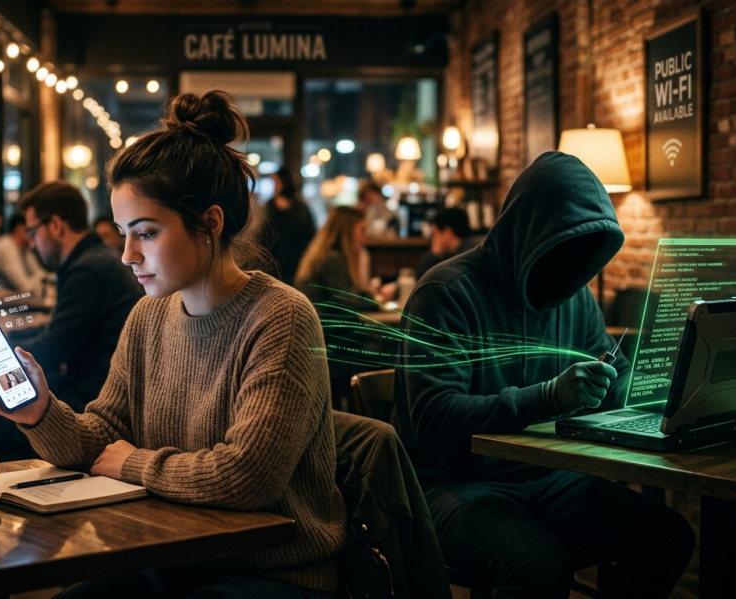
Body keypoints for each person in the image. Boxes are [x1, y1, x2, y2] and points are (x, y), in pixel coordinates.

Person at [0, 91, 345, 598]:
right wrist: (40, 411)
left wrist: (134, 463)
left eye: (145, 233)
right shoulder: (149, 316)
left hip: (272, 571)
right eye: (123, 233)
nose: (127, 255)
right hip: (170, 555)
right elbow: (103, 438)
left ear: (210, 223)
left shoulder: (281, 317)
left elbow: (248, 476)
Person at [391, 152, 694, 598]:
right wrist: (550, 396)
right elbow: (434, 418)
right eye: (563, 247)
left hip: (550, 474)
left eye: (585, 252)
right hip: (451, 483)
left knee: (666, 537)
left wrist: (664, 393)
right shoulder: (445, 292)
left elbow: (616, 377)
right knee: (540, 568)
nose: (574, 265)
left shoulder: (574, 295)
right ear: (526, 232)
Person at [9, 181, 143, 409]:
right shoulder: (98, 257)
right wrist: (12, 338)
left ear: (55, 225)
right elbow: (61, 332)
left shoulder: (87, 270)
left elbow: (52, 351)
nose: (31, 244)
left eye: (32, 232)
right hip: (99, 392)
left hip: (94, 404)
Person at [295, 206, 396, 312]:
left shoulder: (329, 256)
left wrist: (372, 297)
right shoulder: (332, 259)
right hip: (324, 321)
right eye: (362, 230)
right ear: (347, 231)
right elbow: (348, 303)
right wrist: (379, 300)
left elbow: (351, 296)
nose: (366, 237)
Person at [259, 166, 316, 285]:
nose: (274, 186)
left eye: (276, 182)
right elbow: (263, 233)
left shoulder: (299, 207)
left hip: (296, 258)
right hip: (275, 260)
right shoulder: (269, 205)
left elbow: (309, 232)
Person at [0, 213, 48, 298]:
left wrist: (43, 279)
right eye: (32, 230)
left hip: (9, 299)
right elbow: (25, 288)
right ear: (20, 228)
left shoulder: (25, 249)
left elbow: (41, 275)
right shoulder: (5, 247)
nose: (36, 234)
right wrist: (43, 280)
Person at [416, 207, 483, 279]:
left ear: (447, 232)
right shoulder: (471, 247)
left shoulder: (467, 255)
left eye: (435, 233)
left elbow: (425, 281)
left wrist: (433, 254)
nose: (433, 239)